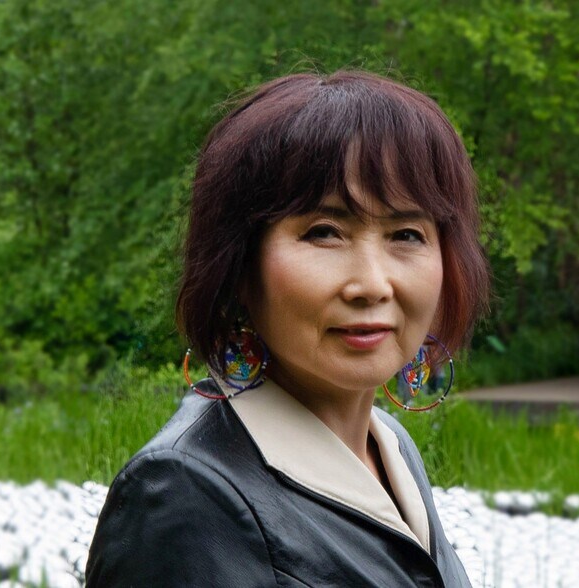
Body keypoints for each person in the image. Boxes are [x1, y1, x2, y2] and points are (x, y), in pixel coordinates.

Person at [86, 70, 489, 587]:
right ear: (239, 265)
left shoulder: (391, 447)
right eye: (324, 232)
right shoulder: (184, 493)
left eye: (407, 233)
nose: (372, 284)